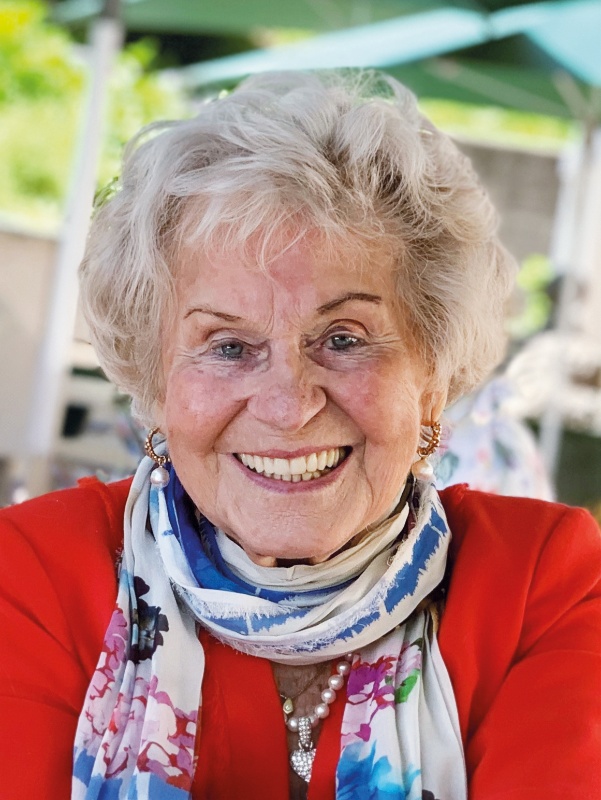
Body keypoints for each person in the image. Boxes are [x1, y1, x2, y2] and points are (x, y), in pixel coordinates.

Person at [1, 71, 599, 800]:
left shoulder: (540, 582)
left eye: (344, 339)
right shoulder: (34, 574)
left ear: (432, 380)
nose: (288, 406)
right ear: (156, 388)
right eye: (228, 347)